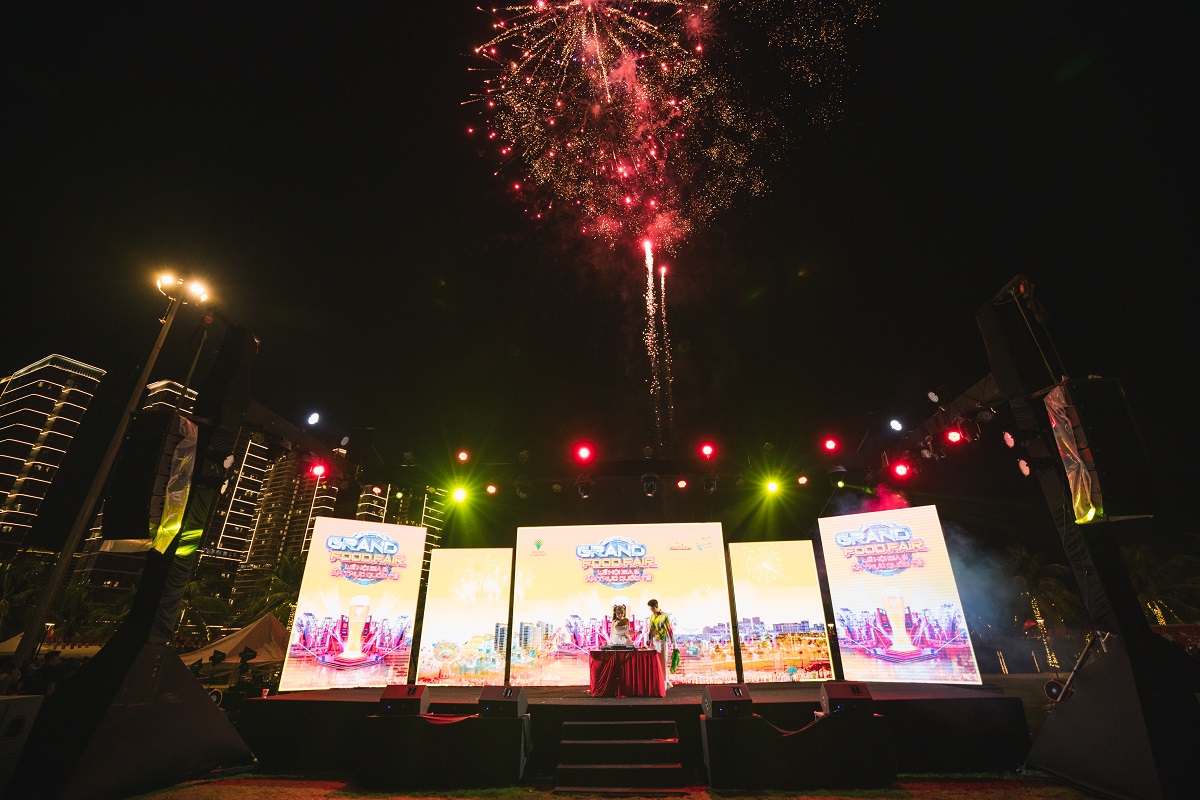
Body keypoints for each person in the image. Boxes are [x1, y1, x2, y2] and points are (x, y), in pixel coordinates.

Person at [646, 598, 676, 690]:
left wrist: (673, 644)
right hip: (654, 642)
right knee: (655, 662)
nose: (651, 610)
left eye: (652, 609)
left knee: (663, 662)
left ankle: (664, 683)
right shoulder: (652, 616)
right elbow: (650, 629)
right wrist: (649, 639)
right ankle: (657, 682)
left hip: (663, 641)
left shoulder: (664, 616)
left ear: (656, 606)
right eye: (650, 609)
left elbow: (669, 630)